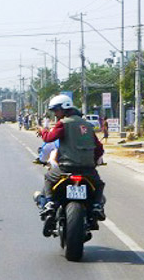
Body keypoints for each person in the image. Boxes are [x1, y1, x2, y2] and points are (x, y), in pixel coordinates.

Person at [37, 94, 106, 225]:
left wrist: (43, 131)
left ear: (65, 109)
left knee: (48, 178)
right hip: (88, 169)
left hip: (66, 168)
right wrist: (94, 161)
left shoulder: (63, 124)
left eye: (57, 111)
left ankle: (50, 203)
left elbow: (49, 138)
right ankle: (97, 205)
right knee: (98, 184)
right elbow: (99, 148)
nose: (56, 115)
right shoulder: (87, 126)